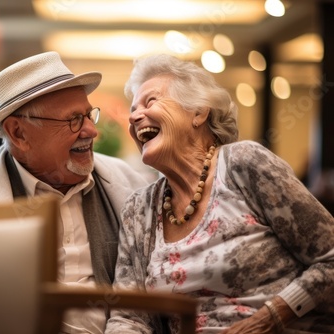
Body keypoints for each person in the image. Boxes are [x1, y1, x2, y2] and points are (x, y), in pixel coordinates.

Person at [0, 51, 151, 333]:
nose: (91, 131)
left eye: (88, 115)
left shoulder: (128, 183)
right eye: (73, 120)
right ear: (18, 133)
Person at [104, 53, 334, 334]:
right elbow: (129, 316)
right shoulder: (139, 209)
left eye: (150, 101)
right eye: (133, 108)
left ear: (199, 112)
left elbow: (330, 259)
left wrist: (267, 320)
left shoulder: (244, 164)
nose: (133, 116)